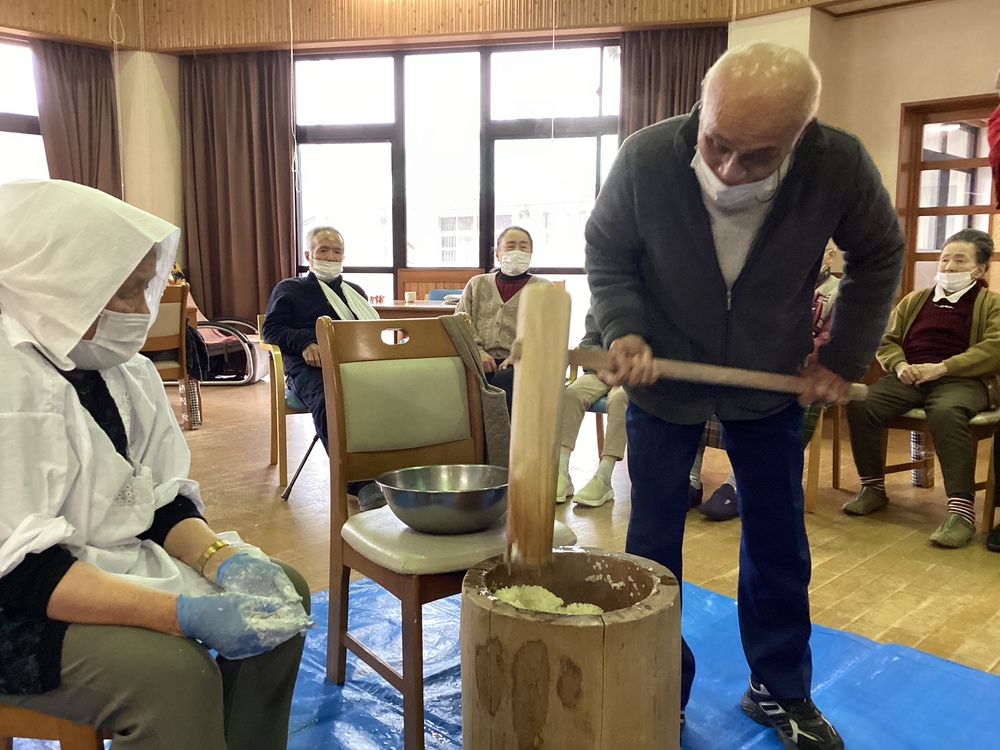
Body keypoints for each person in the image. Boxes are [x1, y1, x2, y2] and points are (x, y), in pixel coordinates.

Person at [585, 43, 904, 749]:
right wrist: (624, 329)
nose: (730, 170)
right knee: (652, 546)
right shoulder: (646, 157)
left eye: (757, 157)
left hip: (771, 383)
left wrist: (844, 357)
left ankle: (779, 689)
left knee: (778, 541)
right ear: (703, 108)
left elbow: (879, 254)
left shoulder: (837, 163)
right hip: (663, 383)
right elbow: (609, 251)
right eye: (718, 145)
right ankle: (657, 683)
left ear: (801, 136)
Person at [0, 179, 313, 749]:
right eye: (124, 292)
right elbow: (24, 573)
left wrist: (222, 562)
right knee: (173, 676)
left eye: (147, 289)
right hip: (19, 604)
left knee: (281, 603)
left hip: (96, 566)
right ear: (60, 285)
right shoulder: (9, 381)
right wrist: (181, 614)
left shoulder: (121, 368)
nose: (140, 312)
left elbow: (160, 500)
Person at [844, 229, 999, 549]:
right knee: (862, 401)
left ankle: (961, 511)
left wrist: (943, 367)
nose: (949, 266)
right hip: (910, 378)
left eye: (960, 260)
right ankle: (872, 488)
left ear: (981, 269)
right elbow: (888, 342)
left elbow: (994, 348)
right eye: (945, 259)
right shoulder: (916, 299)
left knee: (945, 411)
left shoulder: (992, 304)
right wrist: (900, 366)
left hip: (965, 381)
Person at [690, 242, 842, 521]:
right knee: (701, 392)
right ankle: (690, 478)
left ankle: (737, 484)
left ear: (830, 256)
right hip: (757, 363)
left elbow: (829, 341)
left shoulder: (836, 293)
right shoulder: (779, 281)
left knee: (764, 408)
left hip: (804, 375)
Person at [262, 226, 383, 508]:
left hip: (355, 363)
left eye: (336, 251)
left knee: (397, 392)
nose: (330, 256)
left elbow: (370, 332)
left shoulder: (355, 292)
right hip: (309, 367)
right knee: (333, 401)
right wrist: (305, 342)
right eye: (323, 250)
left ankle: (393, 469)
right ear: (309, 255)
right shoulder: (290, 288)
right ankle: (361, 482)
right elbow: (271, 329)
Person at [454, 226, 552, 411]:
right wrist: (478, 352)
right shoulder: (477, 284)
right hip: (479, 360)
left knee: (504, 380)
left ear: (531, 253)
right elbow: (460, 323)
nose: (517, 251)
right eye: (510, 246)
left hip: (523, 364)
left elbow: (548, 334)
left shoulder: (543, 288)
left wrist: (518, 356)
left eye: (523, 247)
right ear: (498, 254)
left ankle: (503, 440)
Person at [556, 311, 627, 507]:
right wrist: (601, 365)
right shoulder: (603, 300)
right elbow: (588, 341)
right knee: (571, 395)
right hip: (600, 371)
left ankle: (603, 477)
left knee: (620, 399)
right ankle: (561, 471)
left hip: (632, 377)